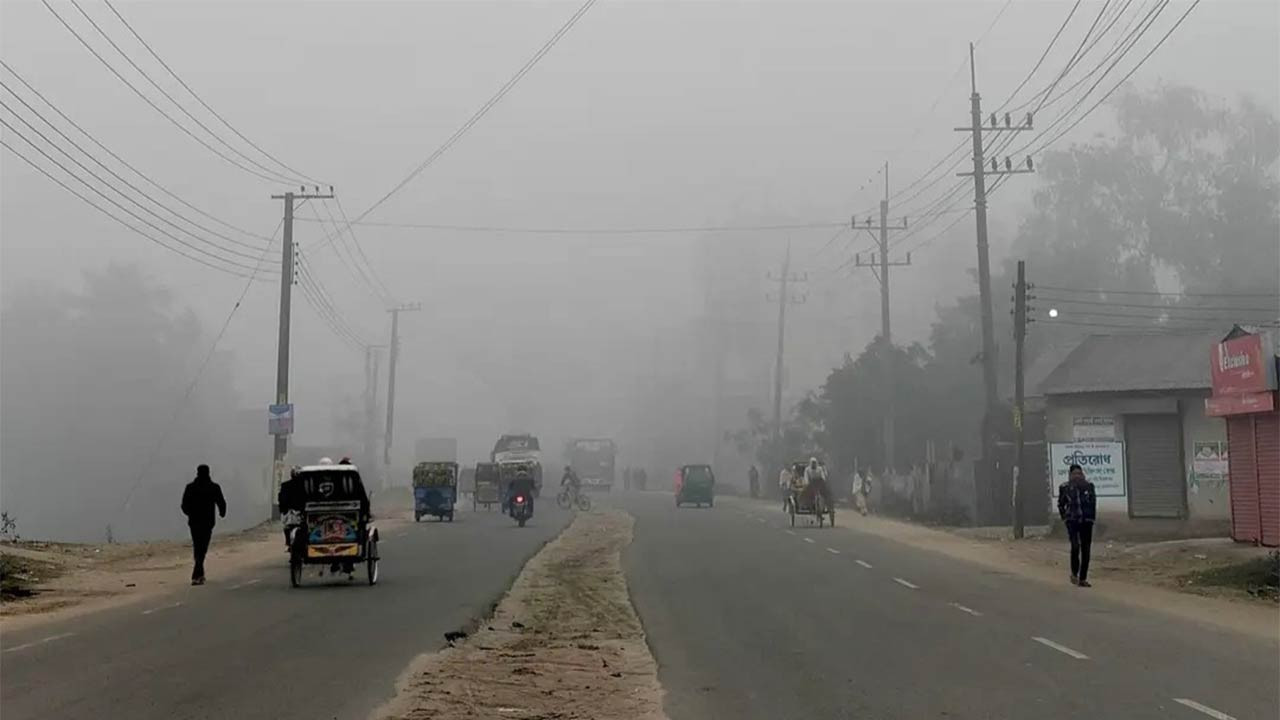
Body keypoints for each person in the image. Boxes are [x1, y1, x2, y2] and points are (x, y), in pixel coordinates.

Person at [180, 464, 226, 586]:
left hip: (194, 522)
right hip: (208, 522)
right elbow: (221, 502)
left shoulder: (190, 487)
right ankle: (197, 573)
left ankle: (199, 573)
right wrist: (222, 513)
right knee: (203, 547)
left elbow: (184, 505)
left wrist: (190, 513)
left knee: (197, 546)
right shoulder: (213, 487)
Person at [1058, 463, 1098, 587]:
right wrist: (1065, 518)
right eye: (1074, 474)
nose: (1077, 476)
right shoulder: (1065, 487)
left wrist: (1091, 518)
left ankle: (1083, 578)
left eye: (1079, 473)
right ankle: (1074, 574)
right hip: (1072, 521)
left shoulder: (1089, 486)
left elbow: (1093, 502)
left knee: (1086, 550)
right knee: (1075, 547)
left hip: (1086, 522)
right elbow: (1061, 504)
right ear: (1070, 475)